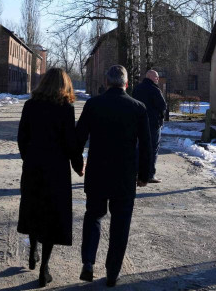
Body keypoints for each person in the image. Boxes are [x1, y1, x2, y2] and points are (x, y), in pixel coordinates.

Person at [76, 65, 151, 288]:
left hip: (98, 172)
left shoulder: (93, 105)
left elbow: (79, 137)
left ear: (106, 83)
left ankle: (88, 262)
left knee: (94, 216)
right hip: (124, 176)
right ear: (126, 84)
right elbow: (146, 146)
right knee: (121, 223)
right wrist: (144, 174)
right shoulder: (138, 108)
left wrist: (78, 163)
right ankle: (112, 272)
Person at [17, 67, 84, 288]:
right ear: (64, 85)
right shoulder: (65, 108)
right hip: (56, 170)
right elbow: (69, 141)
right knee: (51, 216)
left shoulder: (30, 106)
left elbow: (22, 137)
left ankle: (33, 250)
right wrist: (77, 164)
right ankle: (44, 267)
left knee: (34, 208)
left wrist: (28, 158)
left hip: (34, 166)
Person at [132, 69, 167, 183]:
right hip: (152, 124)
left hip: (138, 123)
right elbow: (163, 106)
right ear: (151, 77)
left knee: (139, 148)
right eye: (156, 77)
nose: (157, 79)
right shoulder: (154, 89)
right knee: (152, 149)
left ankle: (136, 173)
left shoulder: (137, 88)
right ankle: (150, 174)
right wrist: (161, 117)